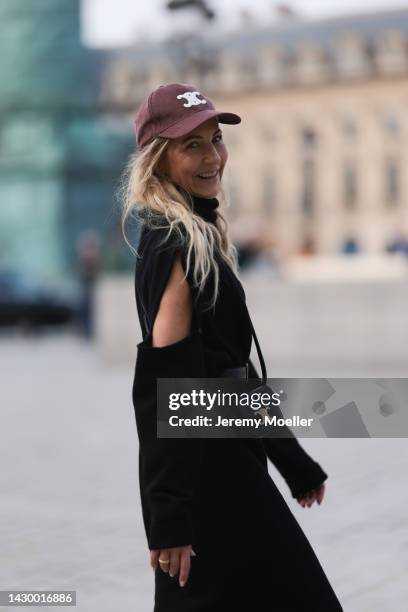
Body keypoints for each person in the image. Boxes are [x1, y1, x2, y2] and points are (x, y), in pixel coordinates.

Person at [121, 83, 343, 611]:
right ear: (158, 160)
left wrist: (291, 459)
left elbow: (229, 373)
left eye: (215, 139)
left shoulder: (197, 231)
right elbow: (164, 389)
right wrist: (168, 518)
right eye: (191, 145)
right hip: (211, 483)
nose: (212, 156)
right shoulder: (176, 242)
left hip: (229, 469)